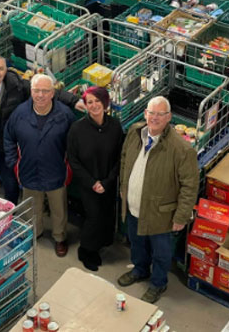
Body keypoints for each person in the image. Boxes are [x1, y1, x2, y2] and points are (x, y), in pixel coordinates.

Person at [0, 54, 85, 204]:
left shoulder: (17, 86)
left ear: (6, 70)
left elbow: (44, 90)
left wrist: (74, 100)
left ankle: (10, 213)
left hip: (6, 147)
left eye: (0, 68)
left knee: (10, 183)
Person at [117, 96, 199, 304]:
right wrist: (124, 190)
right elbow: (125, 159)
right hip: (134, 205)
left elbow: (190, 186)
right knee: (137, 244)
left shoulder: (181, 149)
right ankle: (140, 270)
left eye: (160, 114)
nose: (154, 118)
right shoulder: (135, 133)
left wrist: (181, 216)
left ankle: (158, 283)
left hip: (161, 214)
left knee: (161, 253)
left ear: (169, 117)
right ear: (145, 114)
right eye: (151, 113)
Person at [4, 74, 75, 257]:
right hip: (28, 172)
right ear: (31, 92)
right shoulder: (19, 114)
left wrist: (69, 167)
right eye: (37, 90)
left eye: (45, 91)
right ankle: (35, 232)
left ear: (53, 93)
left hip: (55, 172)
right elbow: (8, 138)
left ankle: (60, 238)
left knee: (58, 210)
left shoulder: (65, 116)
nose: (41, 95)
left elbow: (74, 145)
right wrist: (14, 164)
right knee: (32, 208)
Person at [66, 87, 123, 271]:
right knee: (94, 216)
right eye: (89, 102)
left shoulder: (115, 126)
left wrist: (107, 182)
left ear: (105, 103)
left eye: (97, 101)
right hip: (88, 183)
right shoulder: (77, 129)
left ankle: (103, 241)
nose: (94, 105)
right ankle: (87, 250)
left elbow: (119, 158)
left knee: (107, 213)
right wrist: (92, 183)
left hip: (109, 181)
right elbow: (73, 160)